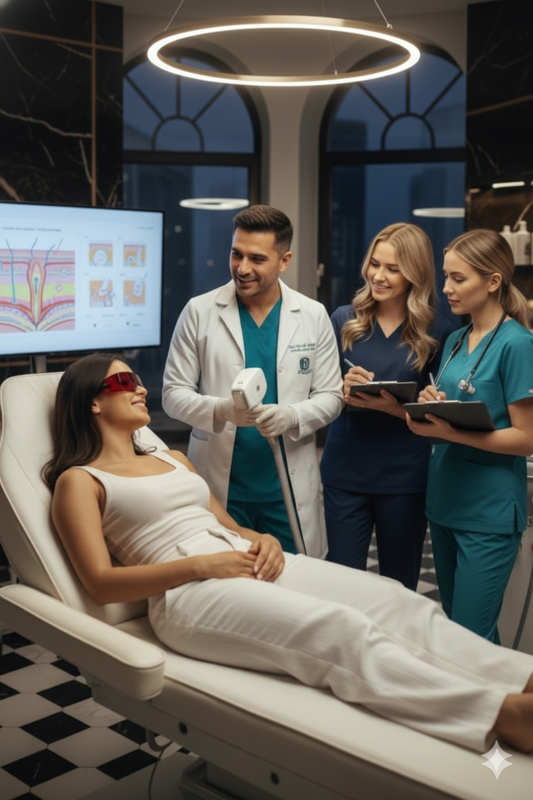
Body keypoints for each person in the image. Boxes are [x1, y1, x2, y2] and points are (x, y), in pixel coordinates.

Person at [44, 353, 533, 756]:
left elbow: (228, 525)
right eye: (124, 380)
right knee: (342, 631)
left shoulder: (169, 458)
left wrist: (263, 539)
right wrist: (203, 566)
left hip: (244, 558)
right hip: (187, 593)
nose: (140, 388)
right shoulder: (81, 481)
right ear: (91, 403)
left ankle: (518, 677)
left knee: (392, 599)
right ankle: (499, 715)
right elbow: (99, 582)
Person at [162, 205, 343, 557]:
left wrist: (292, 416)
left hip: (286, 488)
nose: (242, 268)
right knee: (226, 590)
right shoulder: (199, 312)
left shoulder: (312, 315)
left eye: (257, 259)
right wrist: (221, 410)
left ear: (284, 260)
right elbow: (171, 394)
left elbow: (332, 396)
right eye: (236, 254)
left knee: (293, 587)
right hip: (221, 488)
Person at [407, 228, 533, 642]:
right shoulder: (457, 339)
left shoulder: (517, 344)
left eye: (458, 279)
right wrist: (430, 404)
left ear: (493, 281)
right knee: (464, 636)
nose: (446, 289)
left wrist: (451, 431)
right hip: (445, 503)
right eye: (446, 277)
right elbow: (454, 408)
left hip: (489, 513)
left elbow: (527, 438)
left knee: (468, 639)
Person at [320, 223, 451, 589]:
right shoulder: (344, 320)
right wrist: (340, 387)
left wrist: (400, 406)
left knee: (400, 586)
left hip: (405, 474)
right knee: (342, 583)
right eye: (375, 264)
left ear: (415, 273)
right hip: (345, 470)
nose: (378, 276)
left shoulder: (437, 332)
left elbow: (437, 411)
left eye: (392, 269)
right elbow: (317, 393)